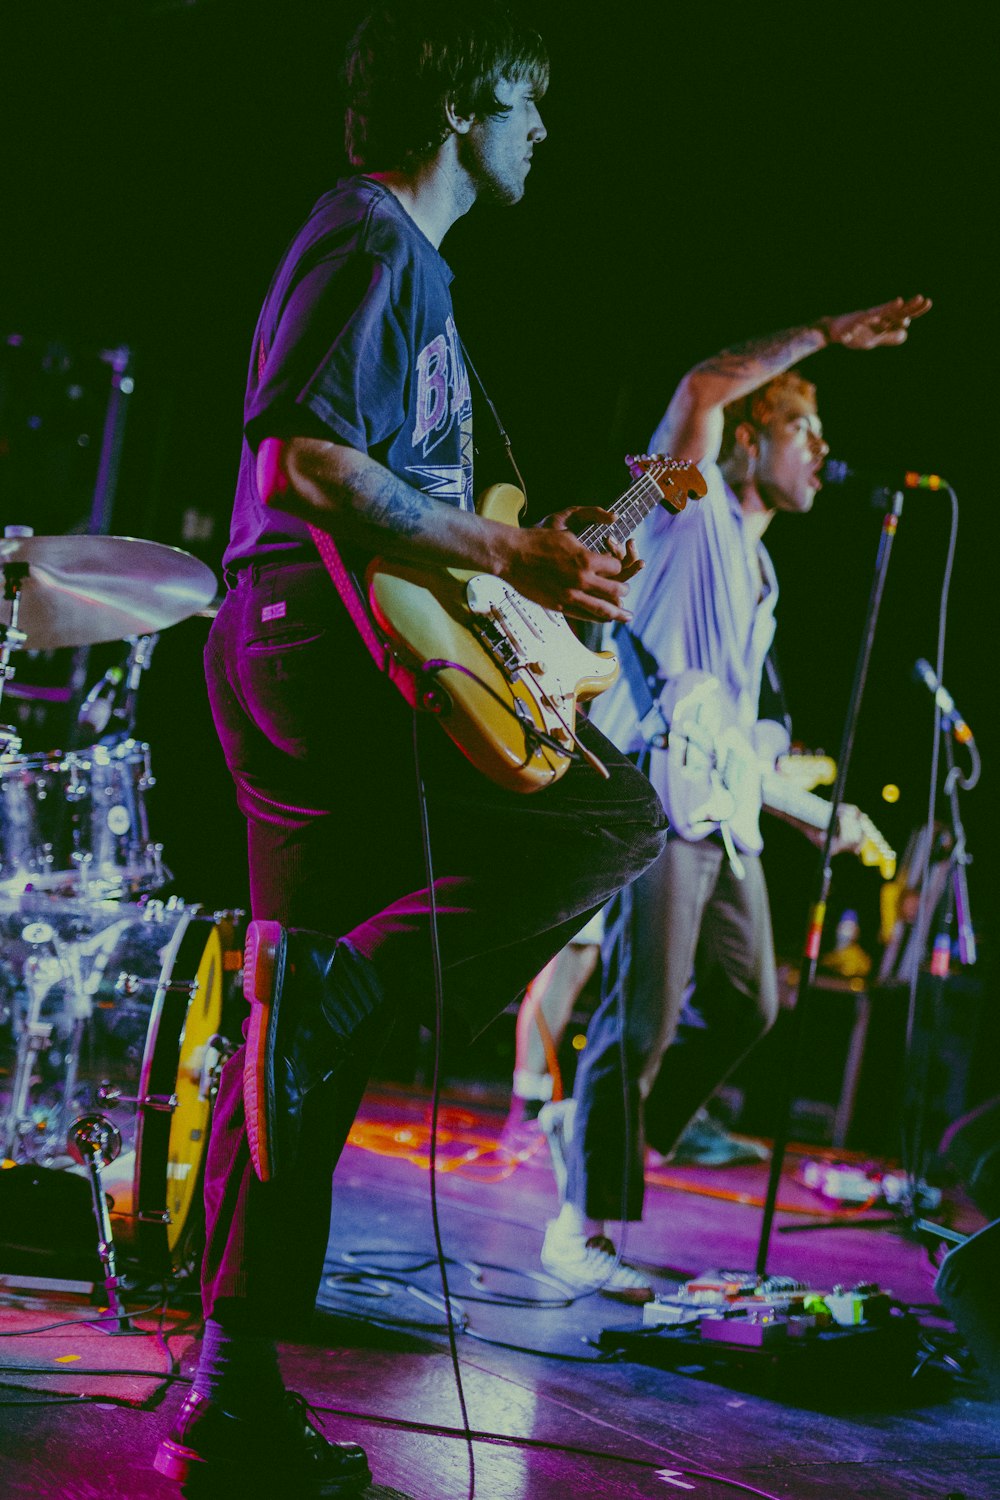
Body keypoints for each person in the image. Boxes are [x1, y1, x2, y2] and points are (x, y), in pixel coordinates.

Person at [153, 5, 668, 1493]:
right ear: (467, 101)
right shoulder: (375, 239)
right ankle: (351, 985)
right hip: (322, 653)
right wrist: (506, 543)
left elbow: (389, 487)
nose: (544, 132)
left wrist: (517, 567)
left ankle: (231, 1385)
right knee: (613, 817)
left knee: (295, 1025)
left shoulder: (411, 267)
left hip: (314, 647)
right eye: (531, 104)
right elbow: (304, 459)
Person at [538, 295, 932, 1301]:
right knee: (642, 1018)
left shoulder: (759, 573)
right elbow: (700, 387)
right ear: (751, 437)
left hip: (723, 812)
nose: (820, 449)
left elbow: (735, 734)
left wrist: (814, 814)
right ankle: (581, 1222)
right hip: (656, 797)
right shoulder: (686, 501)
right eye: (804, 427)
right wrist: (823, 337)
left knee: (749, 999)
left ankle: (595, 1135)